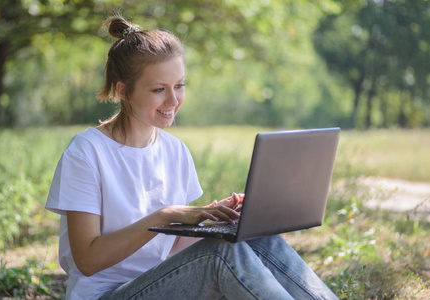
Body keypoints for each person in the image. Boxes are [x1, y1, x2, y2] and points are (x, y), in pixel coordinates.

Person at [46, 15, 338, 300]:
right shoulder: (86, 151)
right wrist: (167, 215)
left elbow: (172, 248)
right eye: (159, 89)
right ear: (124, 91)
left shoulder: (175, 150)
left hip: (164, 283)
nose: (173, 101)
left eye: (179, 85)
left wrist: (214, 219)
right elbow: (87, 260)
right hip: (105, 294)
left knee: (252, 237)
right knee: (219, 253)